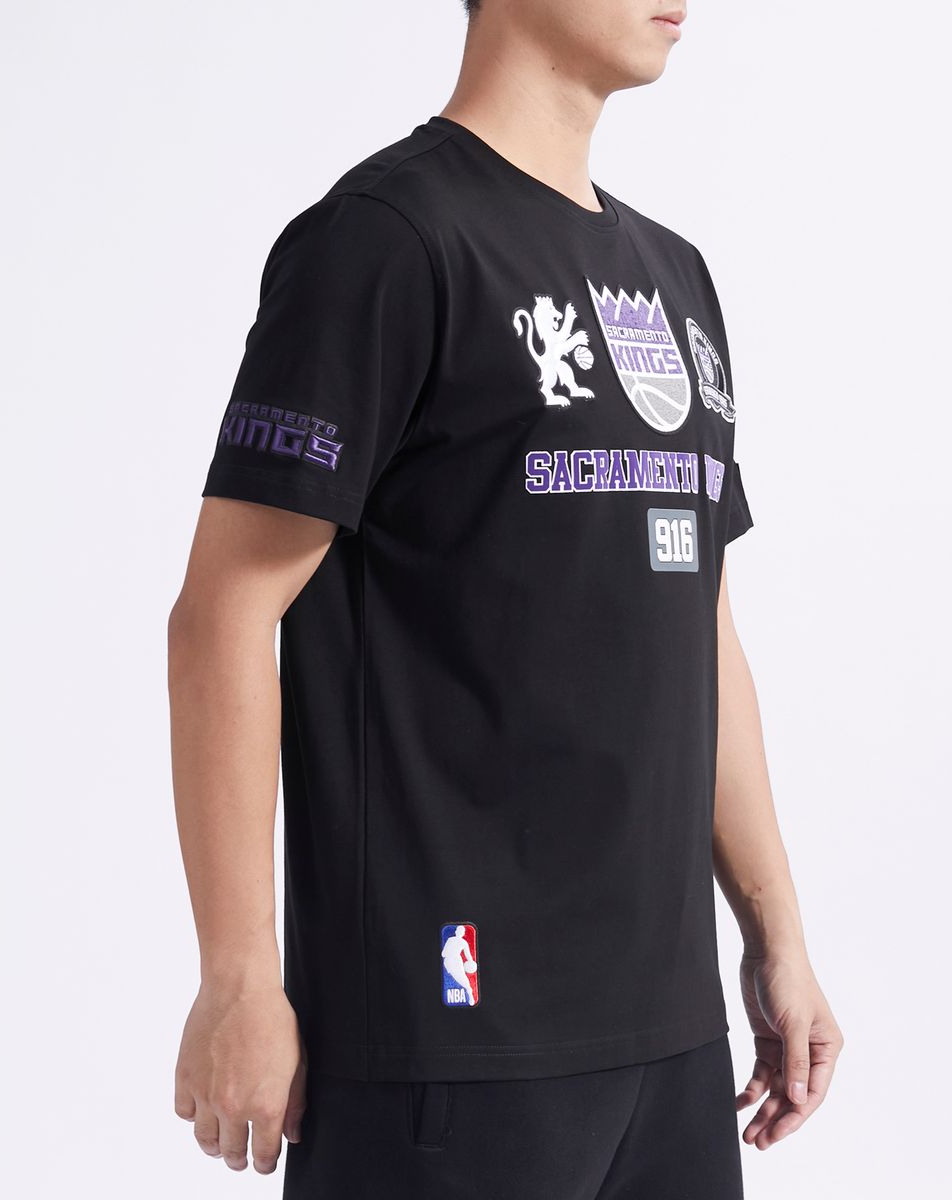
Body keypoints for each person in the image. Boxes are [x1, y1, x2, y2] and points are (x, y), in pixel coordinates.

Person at [168, 2, 843, 1196]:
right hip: (447, 1033)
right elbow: (223, 614)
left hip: (672, 1043)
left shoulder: (677, 278)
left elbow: (702, 627)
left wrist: (776, 931)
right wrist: (237, 976)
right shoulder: (385, 241)